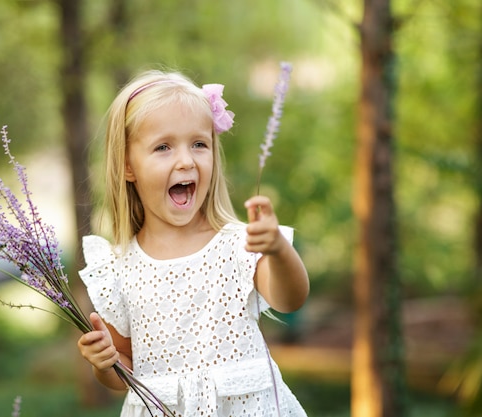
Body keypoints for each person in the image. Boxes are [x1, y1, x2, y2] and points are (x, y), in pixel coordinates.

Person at [77, 69, 309, 417]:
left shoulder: (236, 245)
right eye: (164, 147)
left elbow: (290, 299)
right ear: (128, 165)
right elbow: (125, 370)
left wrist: (277, 250)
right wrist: (103, 363)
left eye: (199, 144)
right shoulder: (118, 267)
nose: (186, 160)